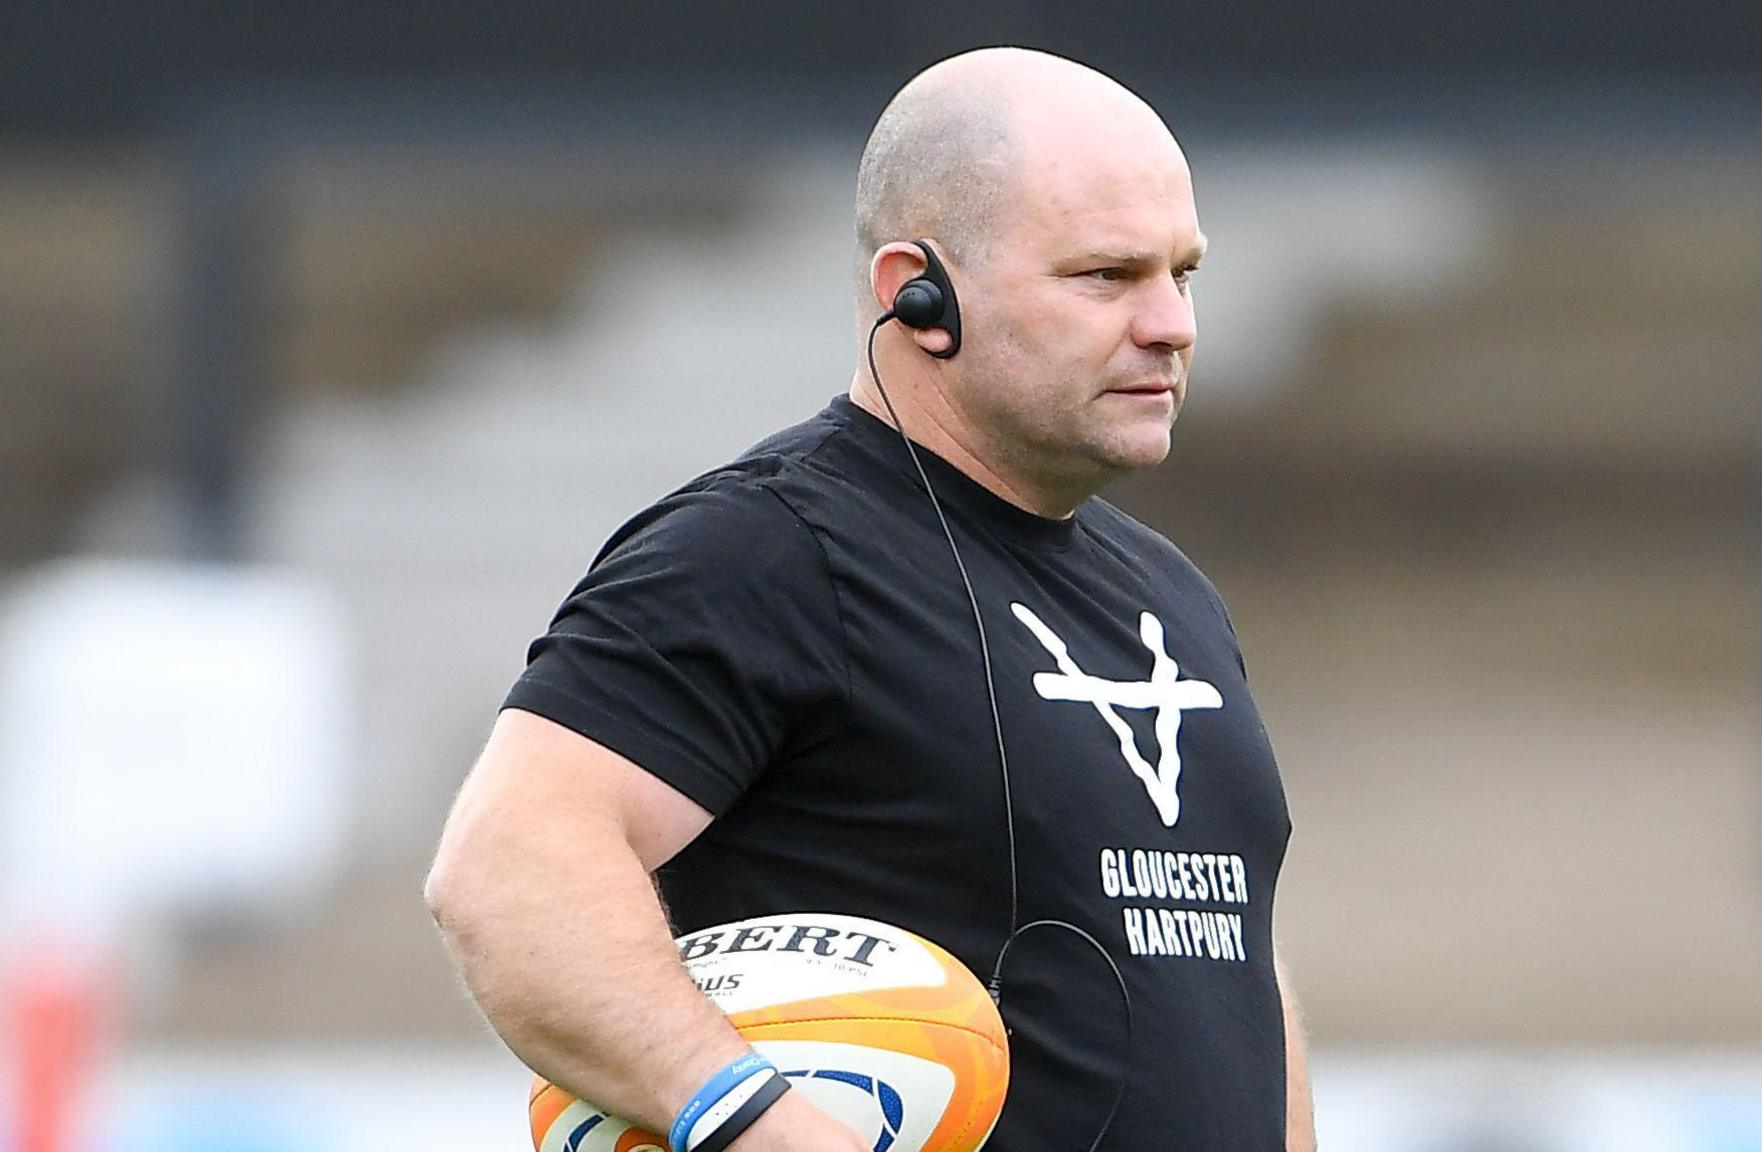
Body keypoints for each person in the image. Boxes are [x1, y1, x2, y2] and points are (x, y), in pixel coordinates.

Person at [425, 46, 1314, 1152]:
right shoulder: (765, 550)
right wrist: (755, 1122)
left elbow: (1232, 976)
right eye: (1104, 276)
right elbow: (509, 870)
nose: (1170, 323)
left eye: (1181, 274)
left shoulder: (1173, 600)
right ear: (917, 296)